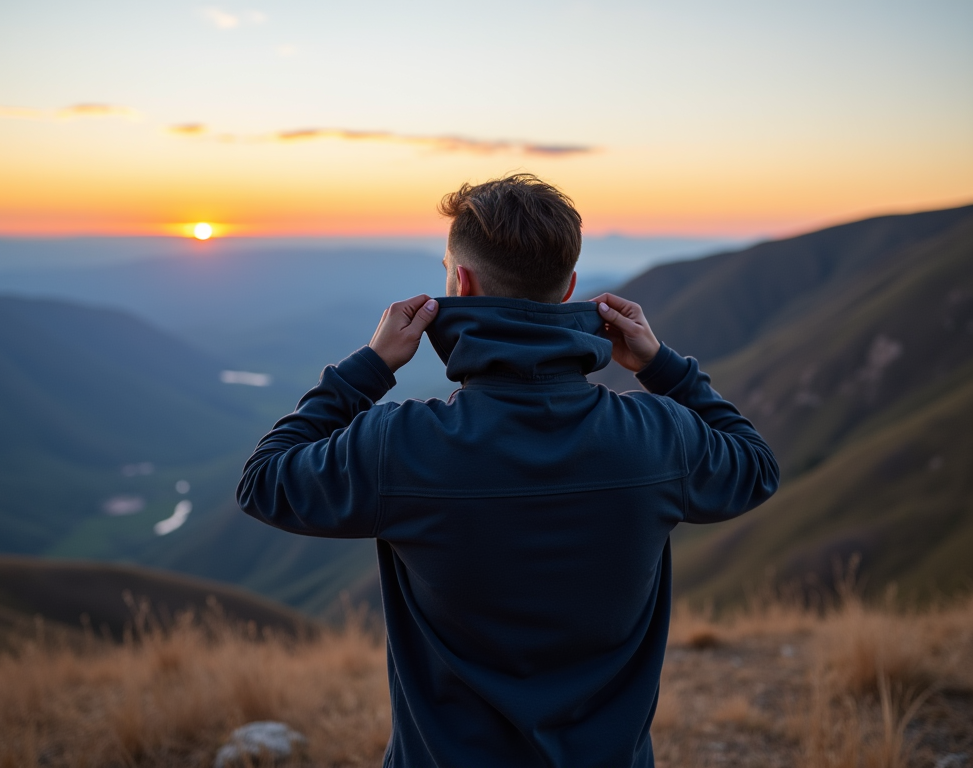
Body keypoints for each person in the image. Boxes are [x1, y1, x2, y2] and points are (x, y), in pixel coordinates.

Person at [237, 173, 780, 768]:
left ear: (461, 283)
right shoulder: (659, 438)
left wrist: (366, 369)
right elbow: (755, 467)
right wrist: (665, 368)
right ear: (570, 285)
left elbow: (264, 481)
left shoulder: (401, 443)